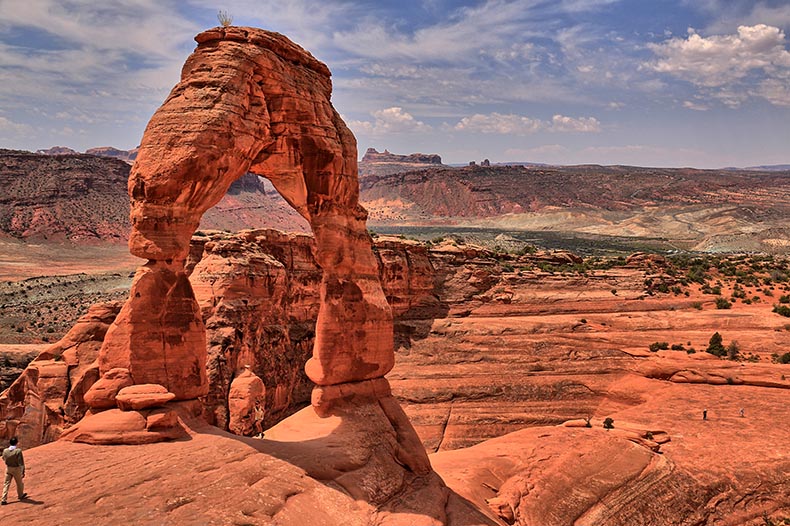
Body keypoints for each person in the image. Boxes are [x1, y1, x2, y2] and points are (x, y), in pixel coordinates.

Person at [2, 437, 27, 505]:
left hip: (8, 468)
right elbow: (21, 462)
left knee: (6, 484)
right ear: (16, 443)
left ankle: (3, 499)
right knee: (19, 483)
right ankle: (20, 495)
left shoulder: (5, 451)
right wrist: (23, 471)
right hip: (16, 469)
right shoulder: (18, 451)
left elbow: (3, 458)